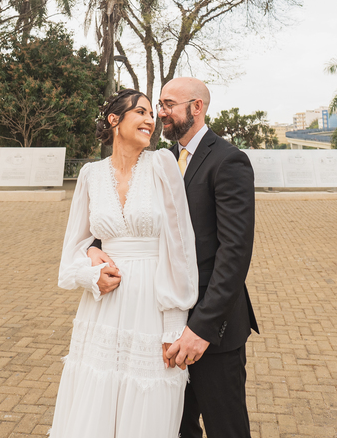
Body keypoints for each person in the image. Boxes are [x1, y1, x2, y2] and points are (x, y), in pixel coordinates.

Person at [90, 77, 258, 438]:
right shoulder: (154, 163)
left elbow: (234, 253)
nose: (160, 114)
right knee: (175, 429)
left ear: (196, 107)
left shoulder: (228, 160)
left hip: (210, 328)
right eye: (158, 106)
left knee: (226, 428)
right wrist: (93, 248)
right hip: (159, 325)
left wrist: (201, 329)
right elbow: (123, 219)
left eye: (168, 105)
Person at [50, 89, 198, 438]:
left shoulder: (162, 165)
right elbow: (73, 249)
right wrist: (91, 271)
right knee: (95, 398)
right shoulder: (90, 174)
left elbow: (180, 246)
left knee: (147, 399)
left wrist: (174, 325)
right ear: (114, 120)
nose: (151, 120)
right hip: (102, 308)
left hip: (151, 305)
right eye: (141, 112)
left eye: (152, 114)